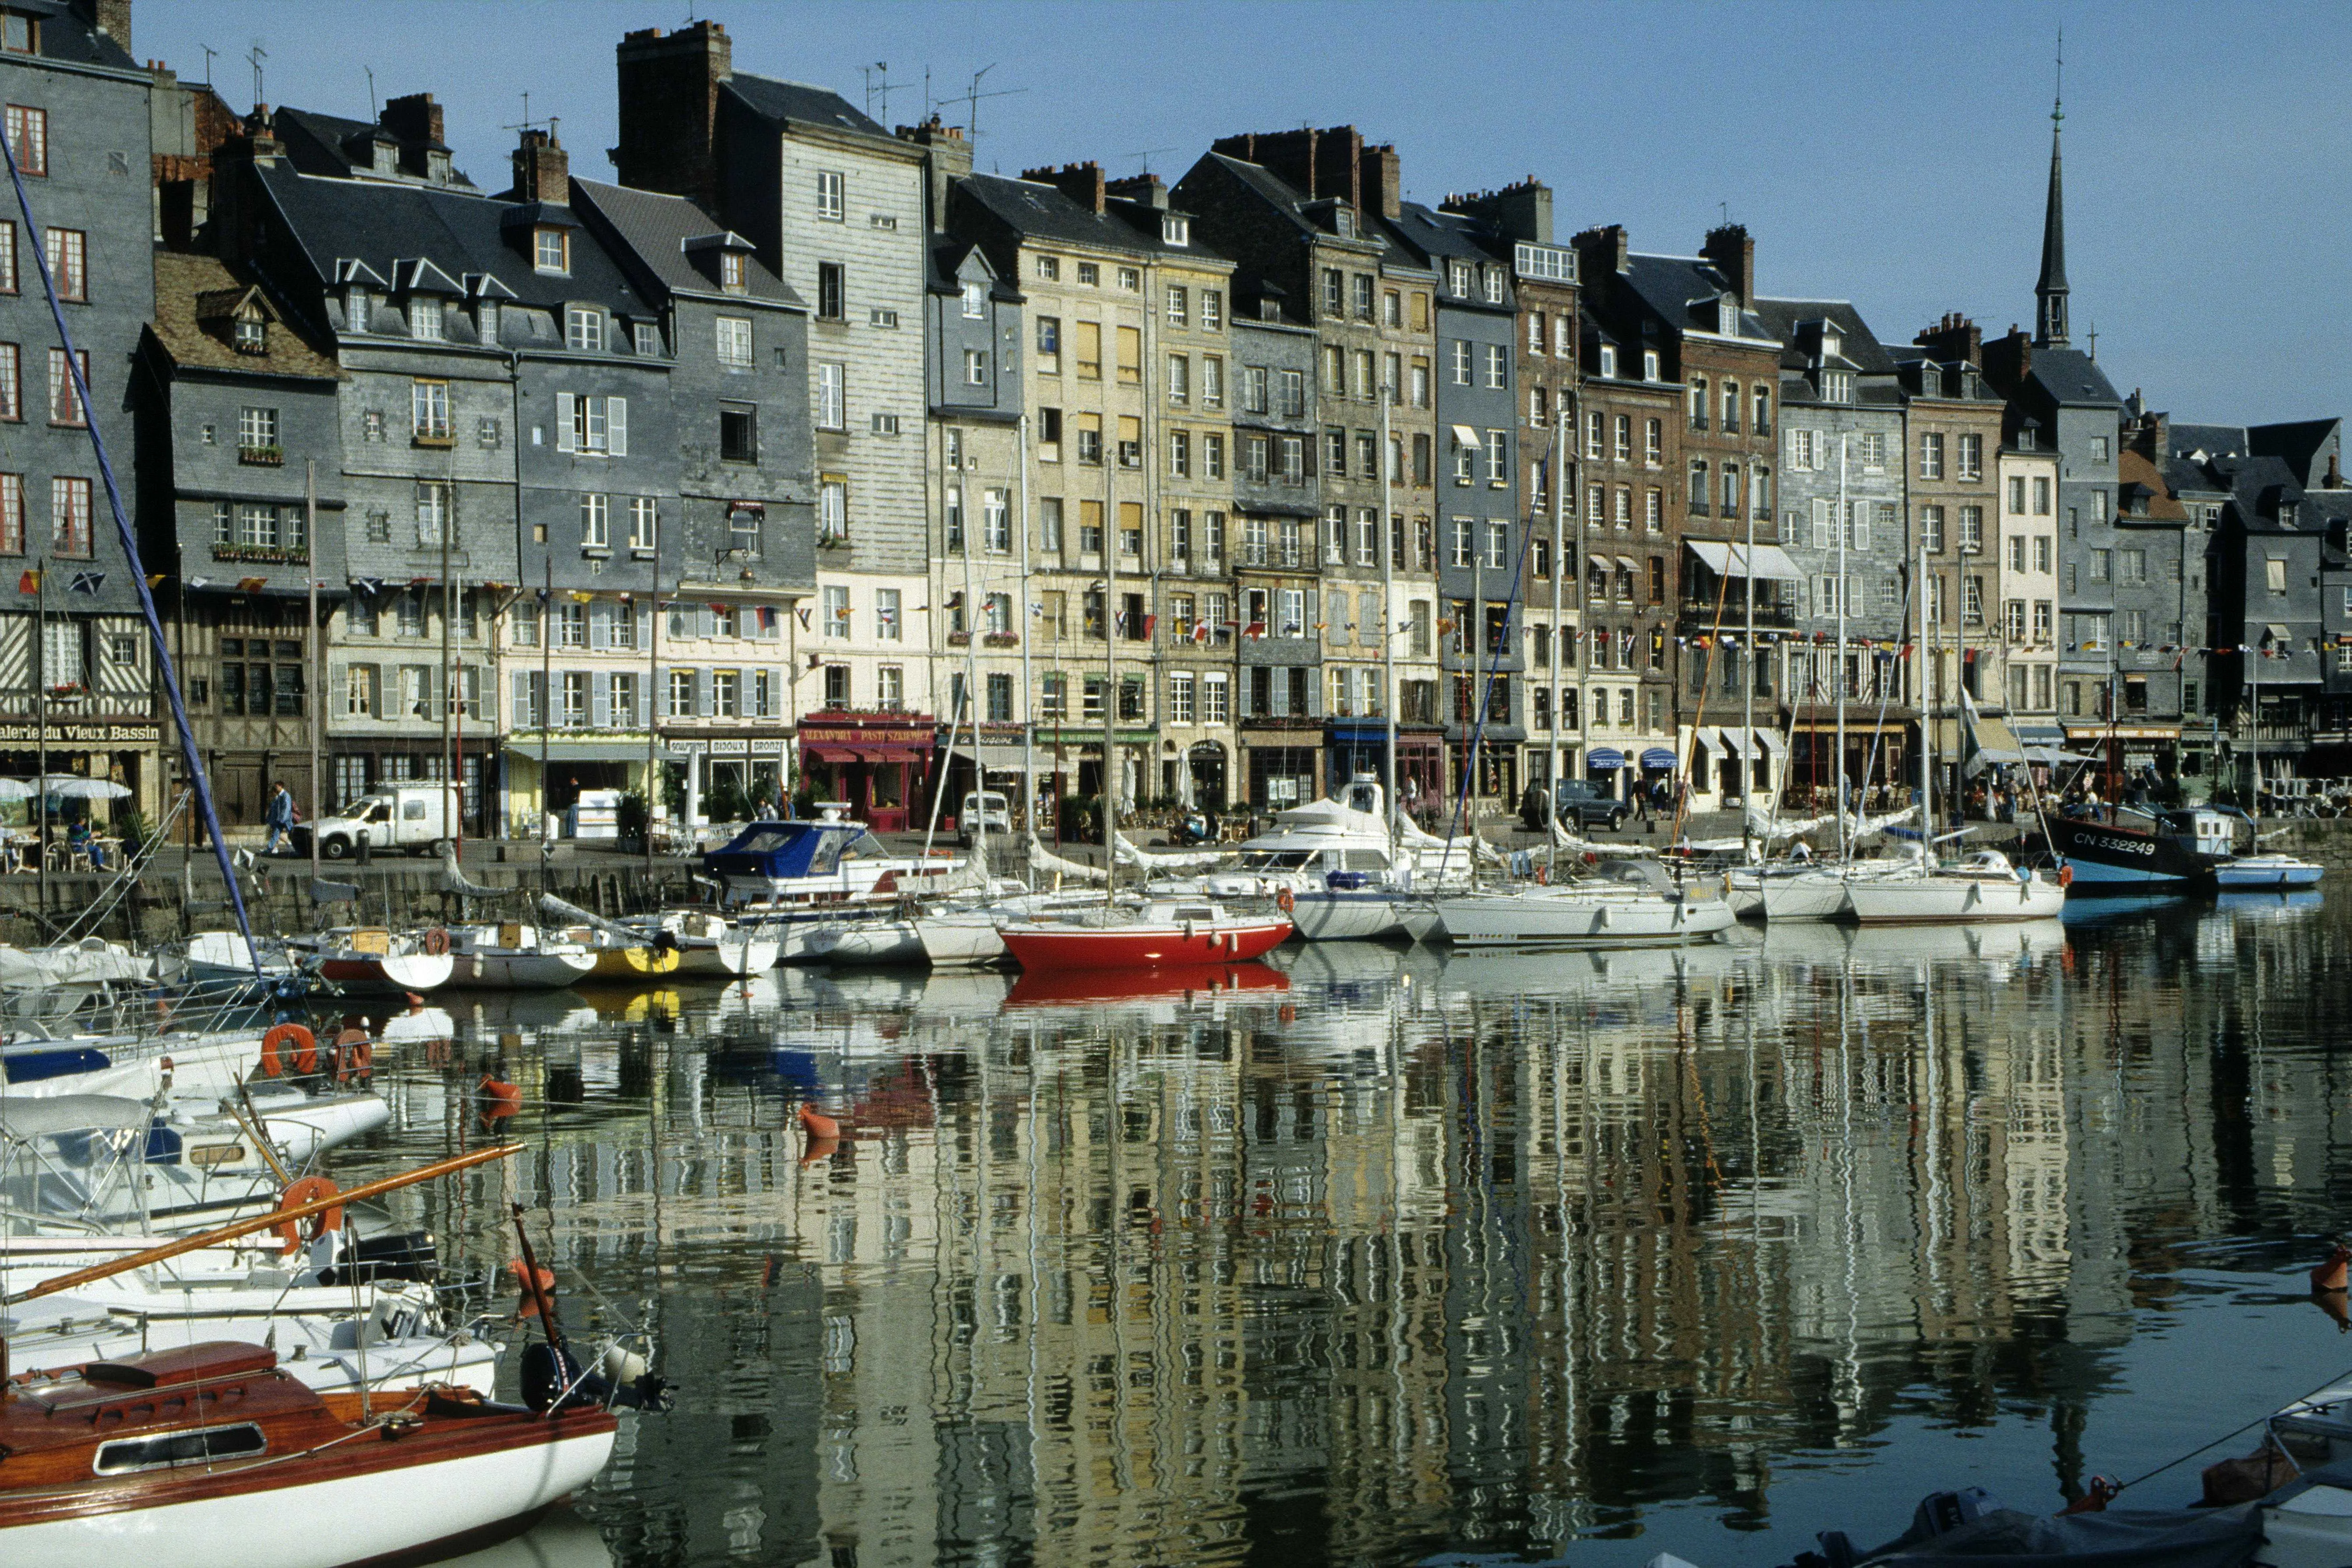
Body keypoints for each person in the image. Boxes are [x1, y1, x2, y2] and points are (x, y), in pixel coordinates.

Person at [264, 782, 296, 856]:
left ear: (281, 786)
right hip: (279, 819)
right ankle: (269, 849)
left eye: (277, 786)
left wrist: (283, 819)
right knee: (275, 834)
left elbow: (287, 808)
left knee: (292, 833)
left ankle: (295, 846)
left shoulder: (286, 795)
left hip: (286, 819)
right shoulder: (280, 796)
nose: (276, 788)